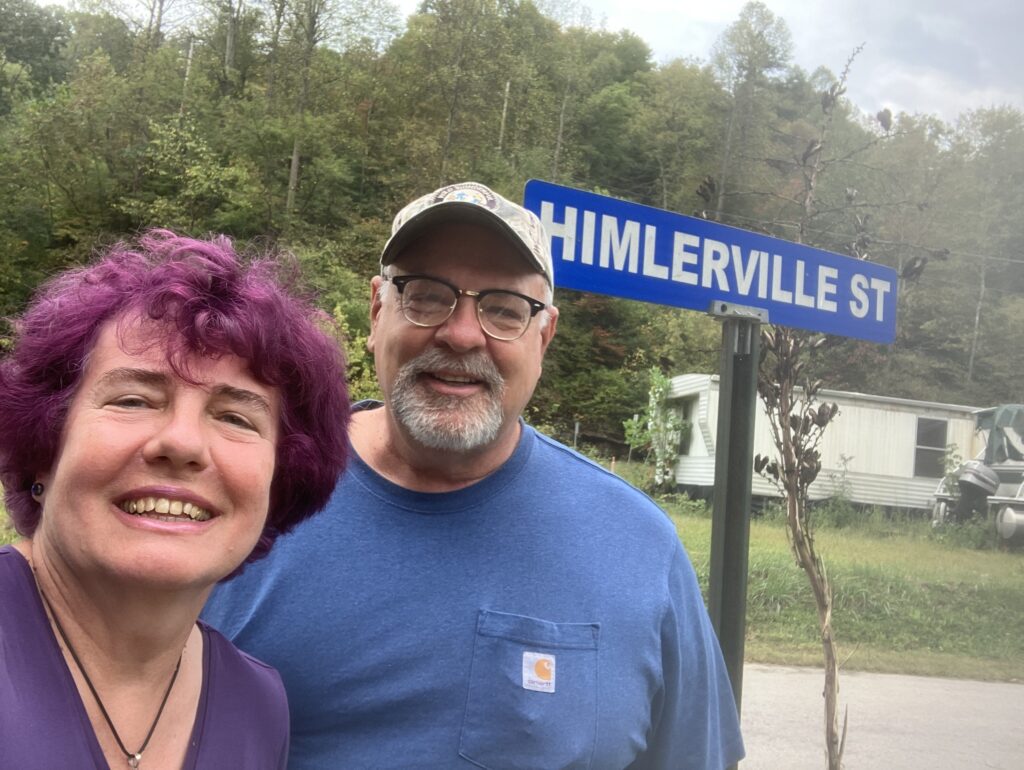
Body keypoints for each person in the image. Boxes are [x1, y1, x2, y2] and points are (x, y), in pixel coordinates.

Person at [204, 182, 745, 768]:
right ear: (377, 309)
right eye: (427, 296)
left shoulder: (638, 544)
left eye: (504, 310)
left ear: (545, 336)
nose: (462, 334)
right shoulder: (250, 492)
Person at [0, 231, 349, 769]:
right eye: (134, 399)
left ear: (278, 481)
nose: (182, 444)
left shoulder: (258, 706)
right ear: (45, 448)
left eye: (236, 416)